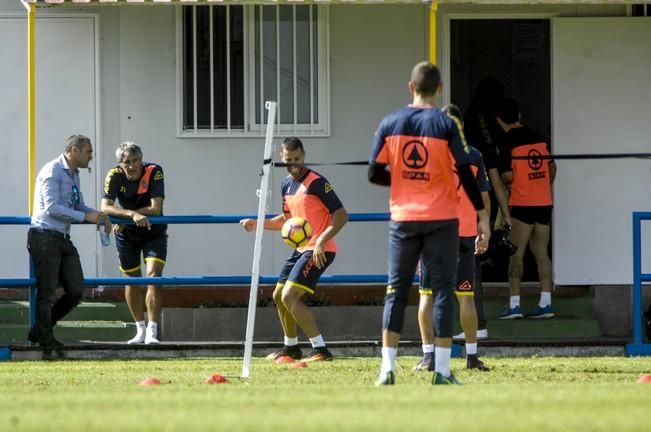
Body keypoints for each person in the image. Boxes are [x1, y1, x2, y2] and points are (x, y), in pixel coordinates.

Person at [369, 62, 490, 386]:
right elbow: (465, 173)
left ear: (411, 88)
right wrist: (480, 212)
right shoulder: (447, 124)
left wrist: (405, 182)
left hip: (403, 218)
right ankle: (442, 371)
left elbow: (373, 173)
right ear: (439, 90)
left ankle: (387, 370)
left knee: (396, 292)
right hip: (442, 219)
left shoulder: (390, 122)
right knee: (442, 294)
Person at [240, 137, 348, 362]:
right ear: (282, 159)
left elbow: (341, 215)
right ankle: (291, 348)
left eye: (297, 159)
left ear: (304, 156)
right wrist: (257, 222)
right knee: (278, 295)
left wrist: (321, 240)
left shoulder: (317, 182)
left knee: (290, 296)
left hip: (321, 248)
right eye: (289, 160)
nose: (294, 164)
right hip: (301, 249)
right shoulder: (286, 185)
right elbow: (286, 221)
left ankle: (320, 350)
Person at [413, 104, 491, 373]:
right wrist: (485, 228)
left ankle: (428, 357)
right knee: (465, 296)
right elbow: (483, 197)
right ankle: (471, 357)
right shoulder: (474, 155)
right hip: (465, 233)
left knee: (427, 295)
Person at [27, 134, 111, 360]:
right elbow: (52, 208)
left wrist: (98, 216)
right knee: (47, 293)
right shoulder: (52, 171)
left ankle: (39, 330)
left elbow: (77, 205)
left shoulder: (73, 174)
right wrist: (87, 217)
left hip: (61, 237)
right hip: (44, 236)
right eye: (88, 152)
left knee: (75, 290)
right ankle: (46, 342)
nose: (91, 156)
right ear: (74, 150)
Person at [495, 98, 556, 319]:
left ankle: (514, 305)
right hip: (544, 203)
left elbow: (508, 176)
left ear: (499, 120)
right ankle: (546, 303)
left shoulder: (506, 141)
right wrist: (540, 186)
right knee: (542, 254)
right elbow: (552, 169)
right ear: (519, 115)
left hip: (522, 204)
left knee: (516, 255)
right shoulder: (539, 137)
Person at [101, 142, 167, 344]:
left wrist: (130, 216)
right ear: (120, 164)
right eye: (126, 162)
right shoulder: (114, 175)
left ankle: (152, 332)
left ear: (141, 160)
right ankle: (139, 330)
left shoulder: (154, 171)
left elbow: (156, 208)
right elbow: (105, 207)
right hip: (127, 231)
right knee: (132, 279)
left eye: (135, 160)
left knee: (153, 276)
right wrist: (131, 215)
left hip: (152, 231)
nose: (131, 166)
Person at [463, 77, 513, 338]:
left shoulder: (461, 148)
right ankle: (476, 325)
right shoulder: (480, 150)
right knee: (472, 265)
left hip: (455, 218)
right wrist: (504, 214)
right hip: (475, 214)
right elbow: (494, 181)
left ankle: (475, 326)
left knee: (464, 270)